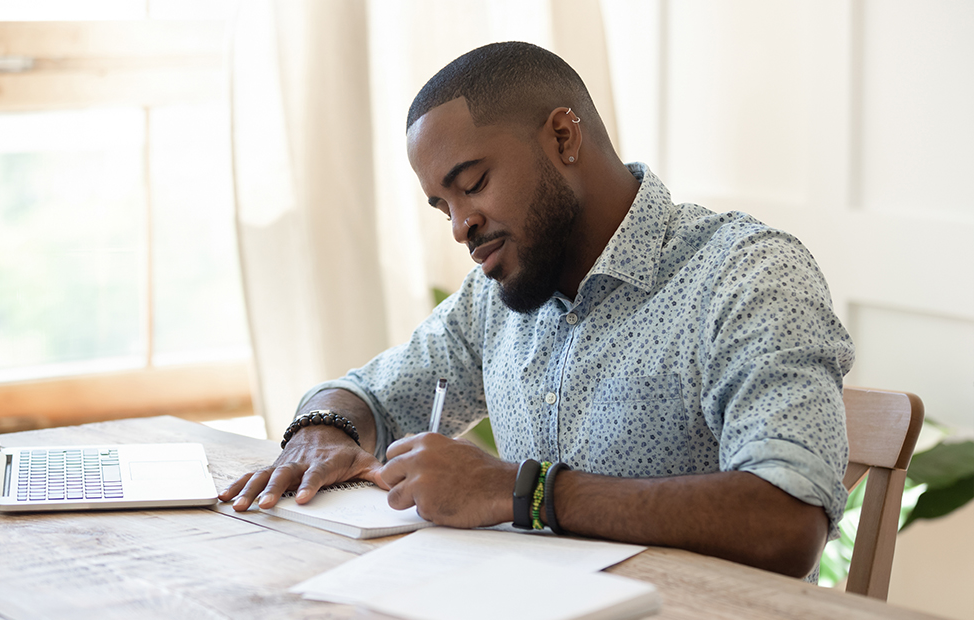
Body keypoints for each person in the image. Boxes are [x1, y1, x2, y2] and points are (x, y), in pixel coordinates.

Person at [220, 41, 854, 580]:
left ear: (562, 136)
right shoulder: (497, 296)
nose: (462, 225)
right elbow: (368, 396)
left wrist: (517, 490)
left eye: (472, 184)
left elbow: (787, 520)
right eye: (444, 206)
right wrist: (321, 432)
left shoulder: (748, 274)